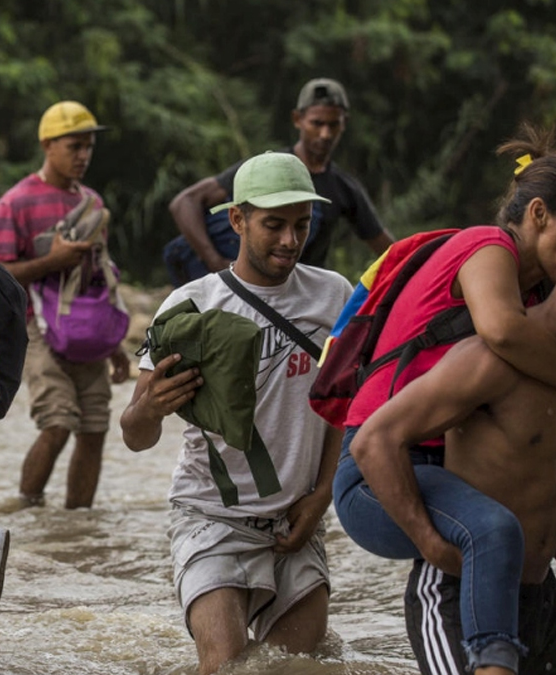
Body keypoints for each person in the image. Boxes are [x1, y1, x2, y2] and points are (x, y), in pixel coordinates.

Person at [334, 125, 556, 675]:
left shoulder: (534, 292)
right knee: (491, 529)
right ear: (538, 215)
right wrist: (428, 544)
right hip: (379, 462)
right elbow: (502, 331)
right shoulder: (487, 247)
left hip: (432, 461)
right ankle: (491, 662)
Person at [119, 152, 352, 675]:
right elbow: (135, 436)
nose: (290, 241)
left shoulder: (334, 295)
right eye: (274, 225)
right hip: (211, 517)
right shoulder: (189, 307)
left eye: (301, 224)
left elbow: (345, 406)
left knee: (299, 666)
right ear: (238, 220)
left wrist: (321, 497)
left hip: (297, 520)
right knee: (225, 666)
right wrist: (149, 409)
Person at [352, 293, 556, 675]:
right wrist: (431, 545)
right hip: (461, 592)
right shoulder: (490, 359)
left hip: (541, 595)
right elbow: (374, 441)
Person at [0, 100, 130, 509]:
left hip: (89, 329)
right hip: (38, 330)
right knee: (58, 423)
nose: (83, 155)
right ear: (48, 145)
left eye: (88, 147)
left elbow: (99, 277)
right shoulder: (15, 203)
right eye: (74, 146)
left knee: (96, 428)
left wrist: (114, 343)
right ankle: (29, 510)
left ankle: (76, 525)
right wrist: (53, 262)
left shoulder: (94, 204)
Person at [166, 78, 393, 284]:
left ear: (344, 123)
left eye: (333, 125)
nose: (325, 134)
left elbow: (387, 249)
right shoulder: (265, 169)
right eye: (317, 123)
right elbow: (185, 202)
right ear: (298, 119)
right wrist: (215, 261)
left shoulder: (344, 189)